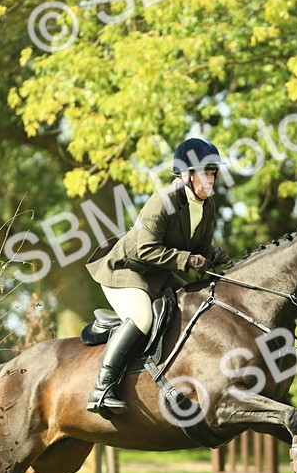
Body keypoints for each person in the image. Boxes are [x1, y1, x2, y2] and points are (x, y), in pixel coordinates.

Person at [85, 137, 230, 415]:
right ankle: (102, 388)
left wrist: (211, 253)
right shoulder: (163, 201)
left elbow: (196, 247)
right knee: (142, 318)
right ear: (186, 176)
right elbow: (146, 249)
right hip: (127, 270)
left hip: (158, 274)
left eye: (213, 174)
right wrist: (186, 259)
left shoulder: (208, 206)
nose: (210, 180)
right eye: (205, 173)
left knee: (196, 304)